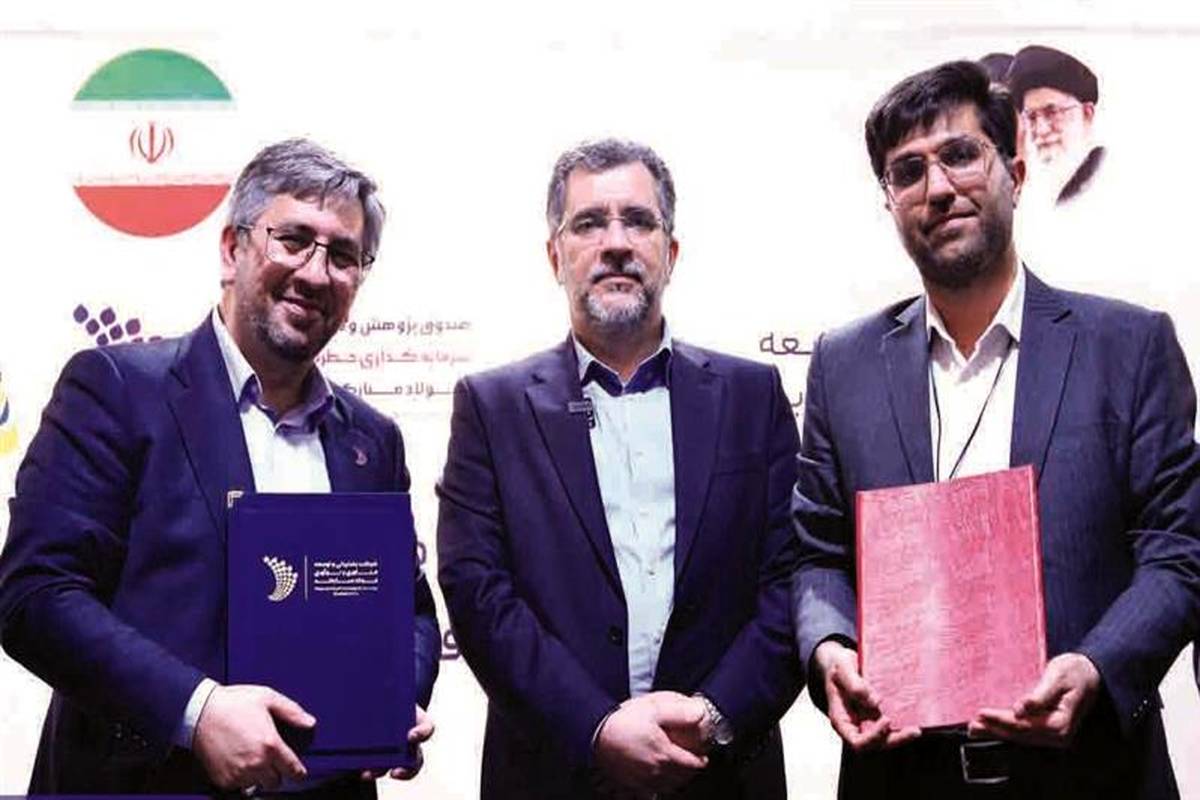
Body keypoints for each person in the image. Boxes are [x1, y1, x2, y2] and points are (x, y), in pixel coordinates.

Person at [792, 60, 1200, 798]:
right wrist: (829, 648)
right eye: (908, 171)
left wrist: (1098, 665)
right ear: (888, 201)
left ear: (1014, 171)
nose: (938, 188)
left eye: (960, 154)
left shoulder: (1128, 347)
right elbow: (816, 552)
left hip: (1095, 775)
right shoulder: (842, 364)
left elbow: (1179, 548)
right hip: (901, 777)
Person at [0, 138, 440, 797]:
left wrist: (394, 692)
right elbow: (37, 597)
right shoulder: (116, 390)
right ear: (233, 249)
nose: (316, 273)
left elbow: (412, 613)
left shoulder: (373, 440)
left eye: (343, 256)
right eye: (294, 240)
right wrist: (197, 710)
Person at [436, 138, 803, 799]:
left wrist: (713, 717)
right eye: (588, 224)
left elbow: (791, 582)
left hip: (722, 775)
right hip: (551, 776)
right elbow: (478, 593)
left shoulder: (753, 396)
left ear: (671, 251)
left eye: (638, 221)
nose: (615, 243)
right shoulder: (491, 408)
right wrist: (596, 728)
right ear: (555, 257)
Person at [1007, 44, 1105, 205]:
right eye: (1031, 117)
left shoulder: (1105, 178)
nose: (1041, 130)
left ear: (1087, 114)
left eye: (1053, 113)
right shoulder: (1033, 190)